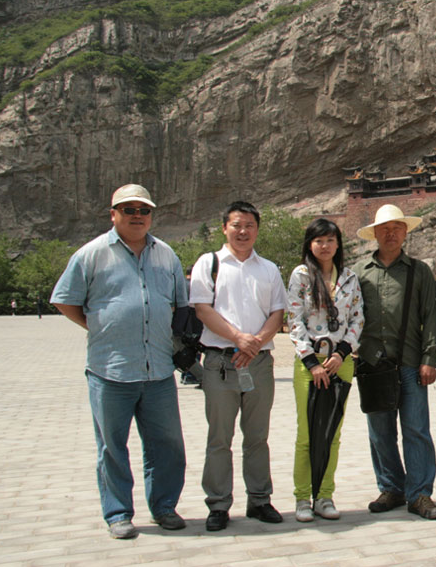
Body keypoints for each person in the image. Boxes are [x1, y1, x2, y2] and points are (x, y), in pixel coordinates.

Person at [51, 183, 188, 539]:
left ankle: (164, 507)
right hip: (110, 370)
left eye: (144, 211)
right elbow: (66, 300)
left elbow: (179, 304)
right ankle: (118, 513)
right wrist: (97, 324)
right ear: (113, 214)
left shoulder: (166, 255)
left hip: (157, 369)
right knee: (112, 446)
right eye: (129, 210)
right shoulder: (91, 254)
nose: (138, 216)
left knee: (168, 444)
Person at [190, 201, 287, 532]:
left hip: (258, 362)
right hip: (220, 361)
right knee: (219, 437)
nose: (243, 231)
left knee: (257, 436)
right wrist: (238, 338)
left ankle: (260, 499)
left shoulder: (269, 269)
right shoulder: (210, 263)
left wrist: (255, 342)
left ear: (257, 229)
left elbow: (278, 313)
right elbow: (202, 308)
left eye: (249, 225)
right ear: (224, 228)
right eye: (236, 225)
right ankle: (218, 504)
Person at [353, 204, 436, 520]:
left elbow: (431, 316)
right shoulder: (359, 272)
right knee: (380, 431)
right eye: (384, 229)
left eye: (397, 228)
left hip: (410, 362)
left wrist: (430, 358)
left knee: (416, 429)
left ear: (405, 232)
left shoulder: (419, 271)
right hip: (372, 365)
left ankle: (420, 494)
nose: (391, 234)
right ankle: (392, 487)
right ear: (375, 234)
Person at [287, 219, 363, 522]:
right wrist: (312, 363)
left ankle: (325, 495)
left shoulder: (349, 277)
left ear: (338, 244)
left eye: (331, 240)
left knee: (333, 433)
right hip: (310, 365)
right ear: (310, 244)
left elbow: (358, 319)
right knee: (306, 434)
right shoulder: (302, 275)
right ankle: (302, 497)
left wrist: (342, 353)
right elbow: (294, 319)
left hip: (340, 364)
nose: (325, 246)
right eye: (319, 240)